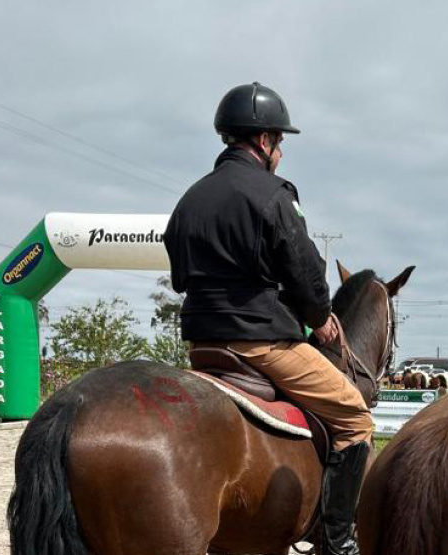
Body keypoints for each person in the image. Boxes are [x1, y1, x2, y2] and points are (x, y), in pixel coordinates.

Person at [163, 82, 372, 555]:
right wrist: (320, 317)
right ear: (264, 141)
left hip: (202, 345)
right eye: (280, 142)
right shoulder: (274, 194)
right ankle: (339, 539)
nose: (280, 153)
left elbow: (179, 278)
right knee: (355, 417)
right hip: (261, 343)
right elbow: (304, 269)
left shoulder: (188, 201)